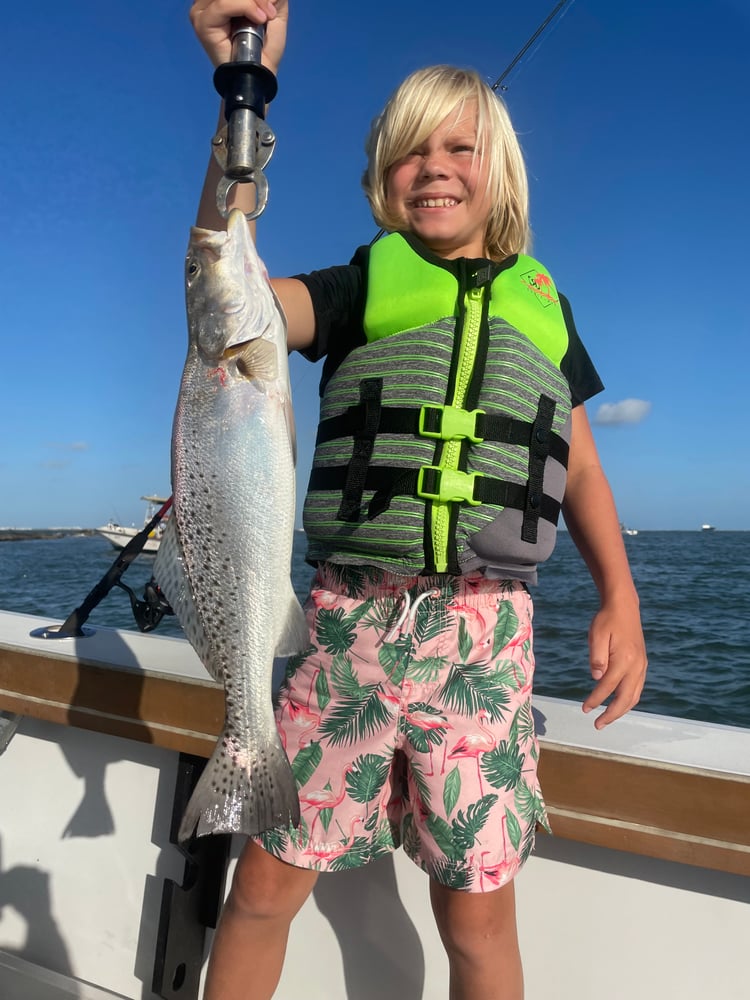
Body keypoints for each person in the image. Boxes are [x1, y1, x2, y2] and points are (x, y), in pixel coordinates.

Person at [189, 3, 648, 998]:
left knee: (478, 923)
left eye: (458, 146)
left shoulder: (546, 309)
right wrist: (242, 87)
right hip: (348, 621)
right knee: (264, 890)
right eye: (408, 152)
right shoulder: (359, 287)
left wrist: (622, 596)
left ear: (503, 174)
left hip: (486, 641)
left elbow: (581, 465)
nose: (432, 166)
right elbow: (223, 291)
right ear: (381, 178)